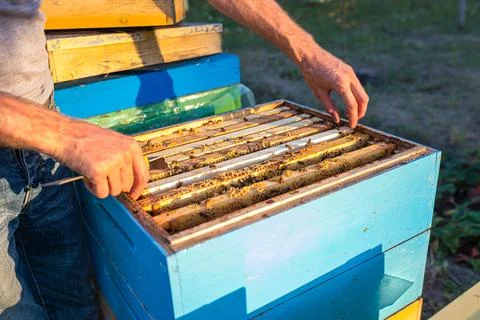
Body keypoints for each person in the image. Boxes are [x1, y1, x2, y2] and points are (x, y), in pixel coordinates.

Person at [0, 0, 369, 319]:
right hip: (42, 141)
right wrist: (65, 134)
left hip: (43, 142)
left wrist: (308, 52)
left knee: (74, 306)